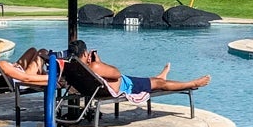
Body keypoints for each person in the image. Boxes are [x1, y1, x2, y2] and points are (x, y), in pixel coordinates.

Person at [66, 41, 211, 95]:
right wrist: (99, 61)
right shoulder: (94, 66)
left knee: (154, 80)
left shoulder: (73, 68)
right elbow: (117, 73)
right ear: (85, 53)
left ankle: (160, 77)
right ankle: (193, 83)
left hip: (98, 90)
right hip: (126, 86)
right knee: (160, 85)